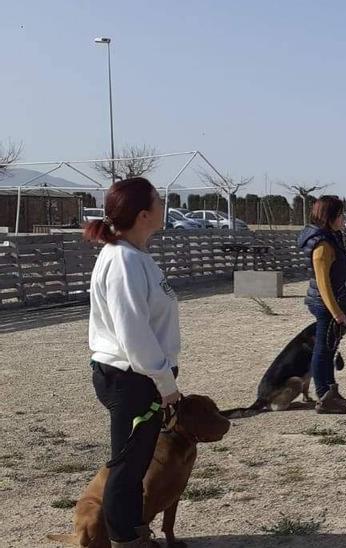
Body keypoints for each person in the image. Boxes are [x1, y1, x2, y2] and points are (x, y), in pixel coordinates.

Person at [85, 177, 182, 547]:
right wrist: (166, 384)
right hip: (132, 377)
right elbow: (134, 334)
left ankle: (129, 532)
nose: (163, 204)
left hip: (143, 375)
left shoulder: (137, 256)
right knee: (126, 467)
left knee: (137, 462)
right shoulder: (124, 260)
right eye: (158, 200)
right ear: (144, 214)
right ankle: (126, 539)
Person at [298, 196, 346, 411]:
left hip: (334, 303)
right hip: (325, 305)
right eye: (340, 214)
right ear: (330, 217)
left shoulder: (332, 237)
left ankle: (330, 392)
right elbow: (323, 282)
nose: (343, 218)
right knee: (323, 351)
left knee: (329, 349)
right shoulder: (322, 245)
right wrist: (336, 312)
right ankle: (324, 395)